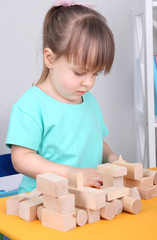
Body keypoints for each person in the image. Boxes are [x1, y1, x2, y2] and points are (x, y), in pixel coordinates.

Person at [6, 0, 118, 193]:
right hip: (42, 200)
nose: (88, 83)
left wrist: (114, 159)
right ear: (50, 59)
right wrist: (74, 174)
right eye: (80, 73)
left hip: (84, 198)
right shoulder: (31, 106)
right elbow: (21, 159)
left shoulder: (89, 101)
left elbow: (95, 143)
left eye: (95, 74)